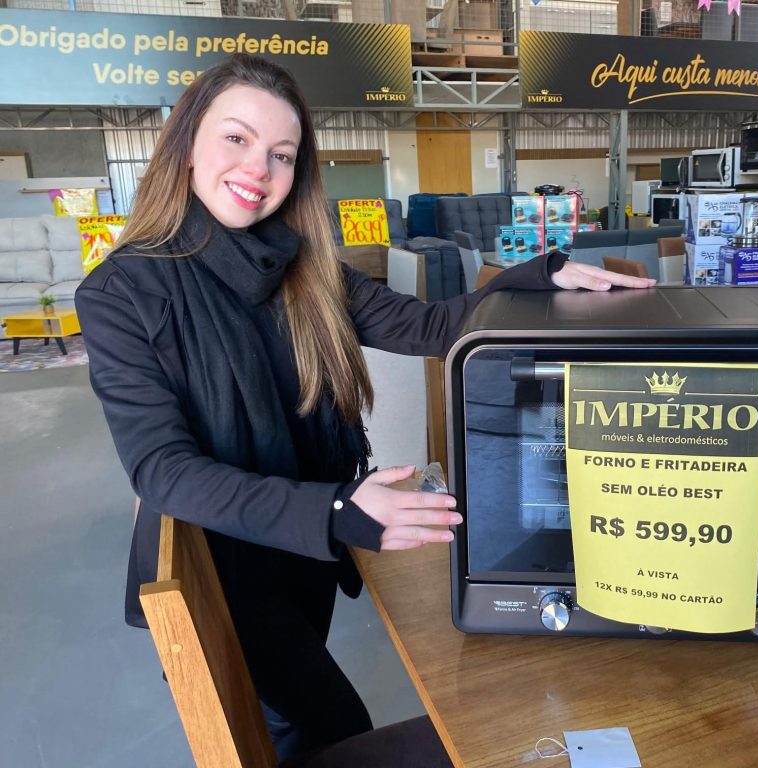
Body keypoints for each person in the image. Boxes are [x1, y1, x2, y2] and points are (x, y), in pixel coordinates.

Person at [75, 53, 654, 762]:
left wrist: (540, 277)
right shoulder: (121, 293)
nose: (259, 167)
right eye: (236, 138)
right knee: (332, 728)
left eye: (282, 154)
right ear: (186, 144)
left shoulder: (306, 268)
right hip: (229, 573)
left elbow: (430, 327)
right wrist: (335, 511)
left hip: (300, 558)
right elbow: (163, 471)